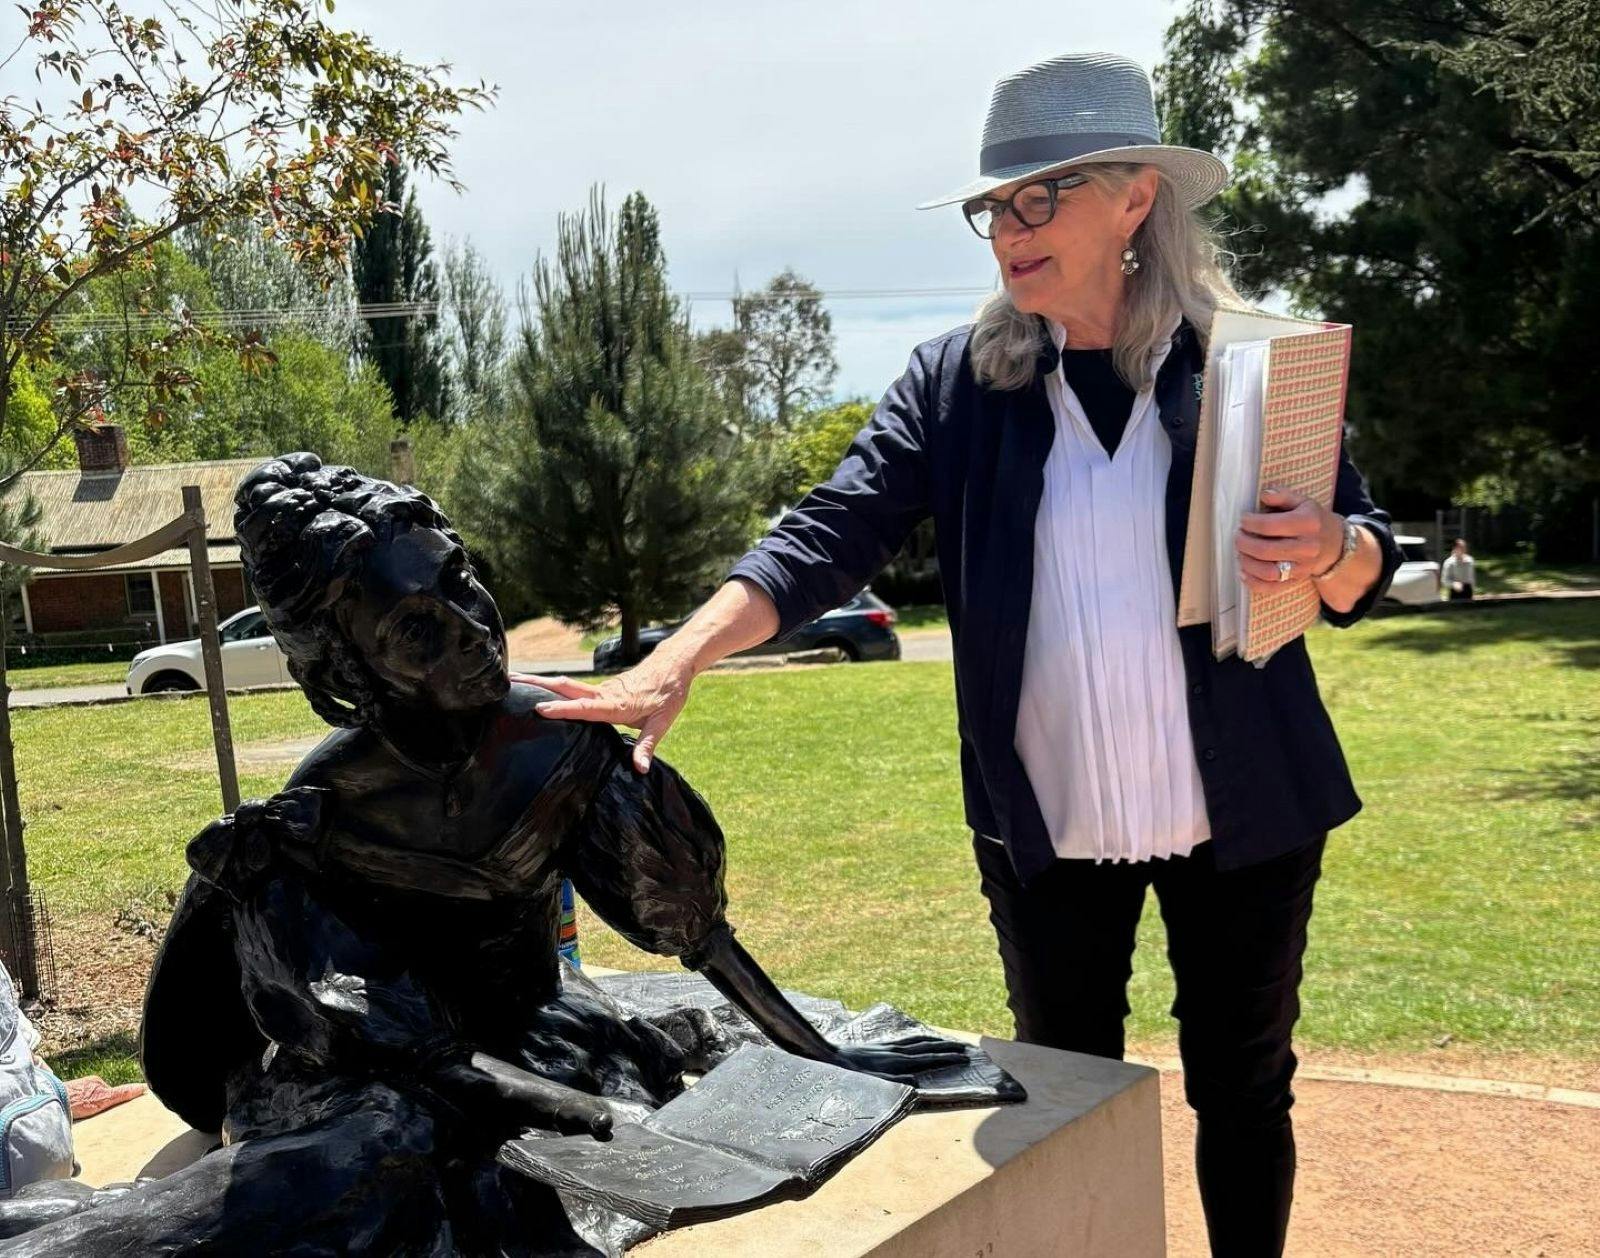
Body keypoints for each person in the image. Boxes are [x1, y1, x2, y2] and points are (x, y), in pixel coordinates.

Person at [533, 52, 1403, 1258]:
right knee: (1065, 1100)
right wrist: (674, 657)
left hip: (1244, 818)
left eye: (1039, 197)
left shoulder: (1245, 360)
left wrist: (1328, 550)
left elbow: (1361, 557)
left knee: (1244, 1089)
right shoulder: (957, 384)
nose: (1007, 229)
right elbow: (824, 536)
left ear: (1135, 199)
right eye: (993, 207)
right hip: (1046, 832)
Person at [0, 455, 964, 1255]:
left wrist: (828, 1055)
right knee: (377, 1163)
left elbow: (694, 935)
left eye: (460, 580)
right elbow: (263, 1030)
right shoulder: (319, 812)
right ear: (342, 673)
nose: (470, 633)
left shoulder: (559, 739)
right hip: (379, 1075)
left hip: (542, 1038)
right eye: (415, 628)